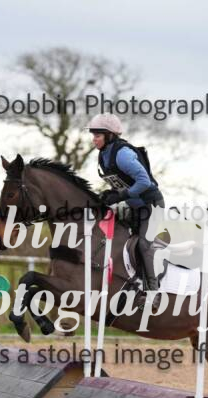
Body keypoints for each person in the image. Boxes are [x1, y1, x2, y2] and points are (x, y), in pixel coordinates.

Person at [87, 113, 165, 307]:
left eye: (97, 135)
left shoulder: (122, 154)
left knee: (144, 245)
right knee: (116, 238)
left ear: (110, 135)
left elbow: (144, 182)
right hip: (133, 207)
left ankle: (153, 293)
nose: (94, 139)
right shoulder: (104, 155)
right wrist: (111, 194)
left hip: (151, 206)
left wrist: (121, 195)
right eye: (93, 135)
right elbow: (120, 183)